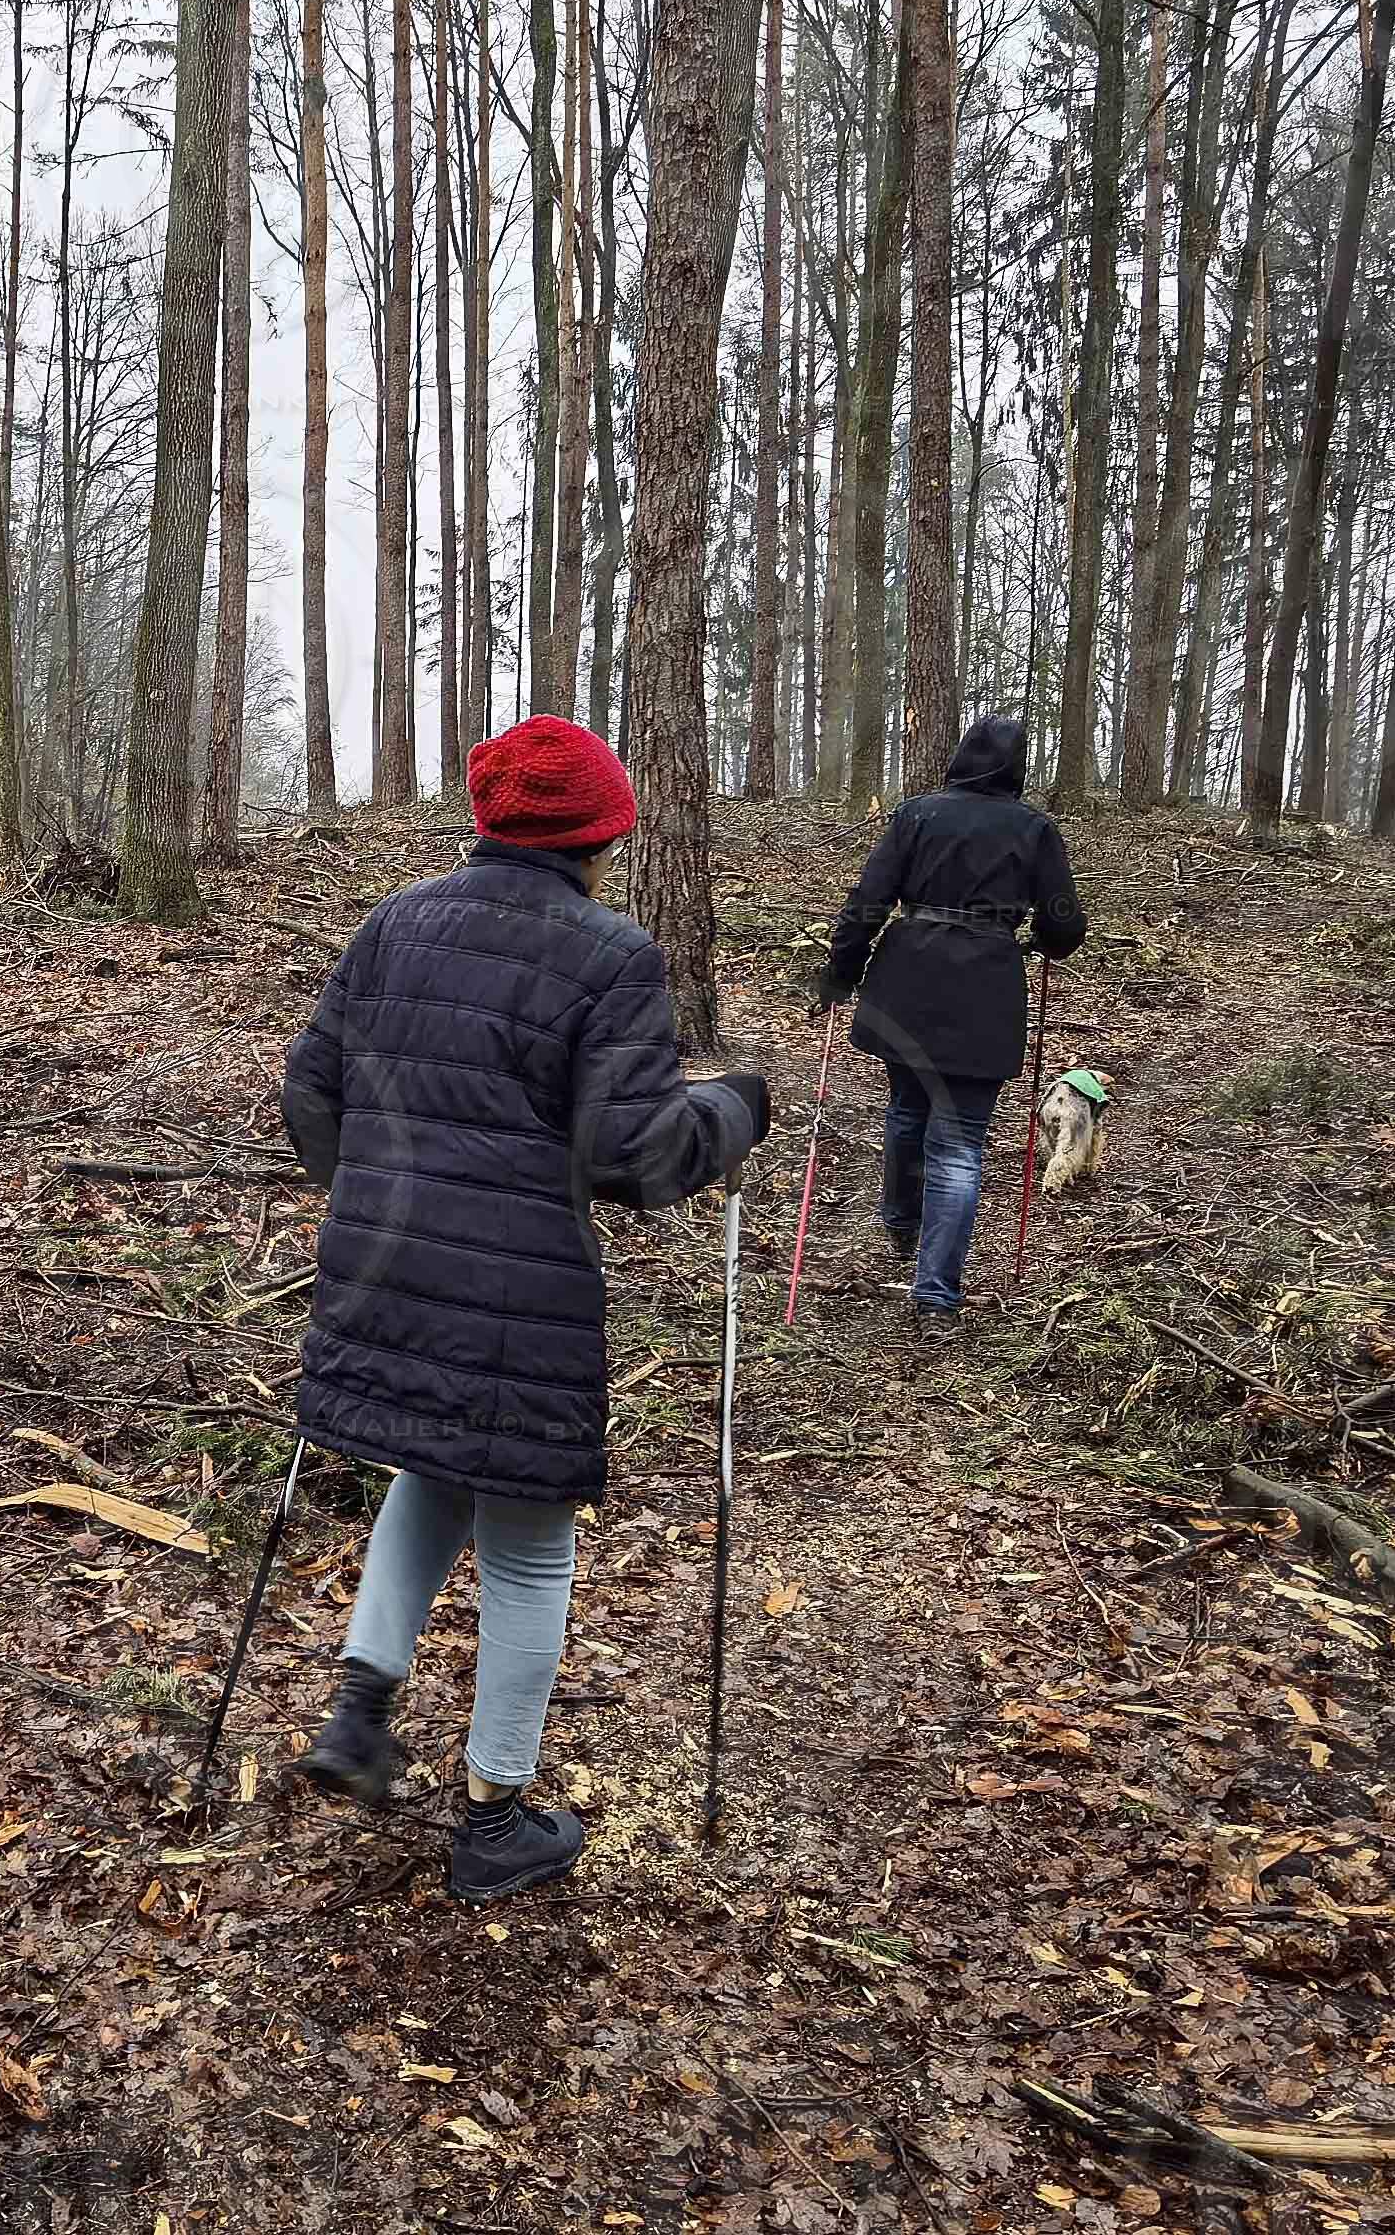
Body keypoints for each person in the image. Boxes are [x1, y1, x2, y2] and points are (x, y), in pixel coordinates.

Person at [280, 716, 770, 1907]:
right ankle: (494, 1815)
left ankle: (359, 1712)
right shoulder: (610, 955)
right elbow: (635, 1153)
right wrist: (735, 1112)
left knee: (431, 1469)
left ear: (488, 819)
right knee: (533, 1546)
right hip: (517, 1298)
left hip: (383, 1273)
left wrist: (385, 1195)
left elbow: (309, 1089)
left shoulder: (396, 920)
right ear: (603, 835)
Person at [816, 714, 1085, 1323]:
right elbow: (1066, 922)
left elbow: (869, 899)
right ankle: (935, 1290)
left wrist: (840, 973)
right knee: (960, 1143)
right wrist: (1042, 938)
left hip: (906, 980)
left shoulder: (916, 815)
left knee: (908, 1106)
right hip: (983, 989)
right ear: (1018, 767)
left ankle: (901, 1222)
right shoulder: (1034, 829)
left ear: (962, 756)